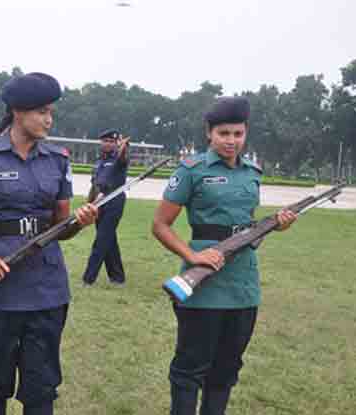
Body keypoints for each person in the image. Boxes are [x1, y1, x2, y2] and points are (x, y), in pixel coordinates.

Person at [0, 72, 98, 415]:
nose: (49, 119)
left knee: (42, 387)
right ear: (17, 111)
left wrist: (79, 222)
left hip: (45, 287)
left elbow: (62, 228)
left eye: (51, 111)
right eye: (41, 111)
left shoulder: (58, 160)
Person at [151, 96, 297, 415]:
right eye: (224, 134)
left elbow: (247, 228)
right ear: (209, 133)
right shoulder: (191, 170)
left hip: (243, 288)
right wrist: (193, 255)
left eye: (238, 134)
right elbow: (160, 225)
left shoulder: (252, 172)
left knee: (225, 372)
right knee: (189, 371)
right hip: (203, 289)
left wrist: (279, 225)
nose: (231, 141)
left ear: (245, 134)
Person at [82, 129, 130, 286]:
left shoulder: (119, 159)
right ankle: (117, 277)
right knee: (109, 240)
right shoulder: (98, 161)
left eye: (111, 141)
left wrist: (123, 148)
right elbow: (94, 184)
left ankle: (88, 279)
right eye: (105, 141)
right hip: (98, 202)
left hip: (114, 201)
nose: (108, 144)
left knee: (101, 240)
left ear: (116, 144)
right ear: (100, 142)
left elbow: (122, 158)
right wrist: (90, 203)